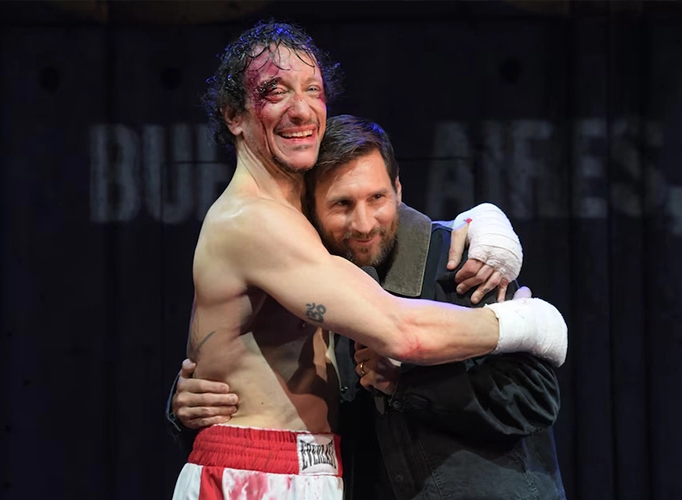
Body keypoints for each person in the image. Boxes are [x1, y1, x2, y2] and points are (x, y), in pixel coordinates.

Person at [171, 20, 567, 499]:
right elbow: (403, 331)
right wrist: (536, 323)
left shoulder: (458, 261)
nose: (300, 108)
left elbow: (536, 398)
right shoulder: (253, 222)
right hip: (260, 470)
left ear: (399, 192)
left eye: (312, 89)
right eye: (276, 91)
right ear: (235, 115)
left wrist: (480, 218)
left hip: (314, 469)